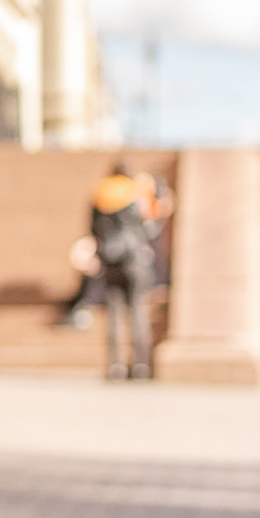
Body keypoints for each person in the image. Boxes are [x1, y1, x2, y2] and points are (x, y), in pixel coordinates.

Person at [88, 163, 163, 381]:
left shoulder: (101, 193)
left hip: (111, 260)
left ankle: (115, 367)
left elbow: (93, 229)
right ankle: (141, 366)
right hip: (136, 260)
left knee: (113, 314)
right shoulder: (136, 192)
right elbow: (149, 228)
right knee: (138, 311)